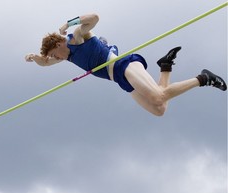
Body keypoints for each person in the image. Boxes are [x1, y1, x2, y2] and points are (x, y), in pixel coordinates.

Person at [25, 13, 227, 116]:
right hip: (119, 79)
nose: (56, 58)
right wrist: (34, 57)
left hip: (123, 65)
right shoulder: (66, 56)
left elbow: (94, 17)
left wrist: (69, 23)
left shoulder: (76, 37)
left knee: (158, 96)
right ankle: (165, 66)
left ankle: (203, 78)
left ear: (59, 43)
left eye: (54, 54)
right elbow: (44, 63)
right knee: (160, 109)